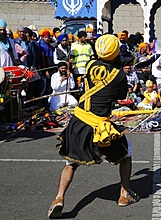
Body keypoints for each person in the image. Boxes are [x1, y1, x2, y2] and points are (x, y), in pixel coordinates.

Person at [47, 34, 139, 219]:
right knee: (126, 154)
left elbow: (107, 66)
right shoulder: (119, 76)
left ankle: (58, 199)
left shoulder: (89, 64)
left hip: (78, 120)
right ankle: (124, 195)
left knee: (70, 163)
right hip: (98, 125)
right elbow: (120, 95)